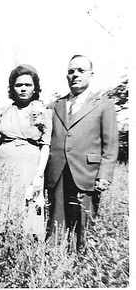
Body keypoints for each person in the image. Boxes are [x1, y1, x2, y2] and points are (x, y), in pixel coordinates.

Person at [45, 55, 119, 249]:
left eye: (81, 70)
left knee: (84, 229)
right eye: (71, 71)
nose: (75, 75)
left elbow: (110, 146)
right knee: (55, 229)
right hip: (57, 174)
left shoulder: (103, 105)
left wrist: (104, 175)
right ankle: (55, 268)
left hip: (87, 175)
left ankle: (79, 269)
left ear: (91, 74)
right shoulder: (55, 106)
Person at [0, 65, 52, 238]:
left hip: (29, 168)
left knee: (27, 208)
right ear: (12, 88)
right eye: (18, 85)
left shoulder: (42, 113)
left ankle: (25, 249)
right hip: (4, 166)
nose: (22, 88)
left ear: (35, 88)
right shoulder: (4, 111)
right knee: (2, 204)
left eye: (27, 85)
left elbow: (45, 145)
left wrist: (39, 174)